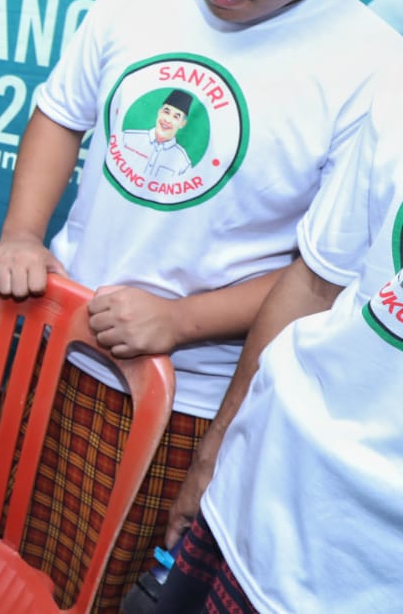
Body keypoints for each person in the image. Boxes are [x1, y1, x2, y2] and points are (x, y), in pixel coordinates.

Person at [0, 0, 399, 611]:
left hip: (196, 393)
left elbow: (319, 276)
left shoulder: (371, 72)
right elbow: (59, 114)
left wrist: (179, 320)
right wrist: (25, 233)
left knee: (113, 586)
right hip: (61, 352)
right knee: (13, 566)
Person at [155, 82, 403, 612]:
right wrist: (215, 452)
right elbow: (316, 280)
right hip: (259, 484)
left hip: (370, 568)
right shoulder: (397, 97)